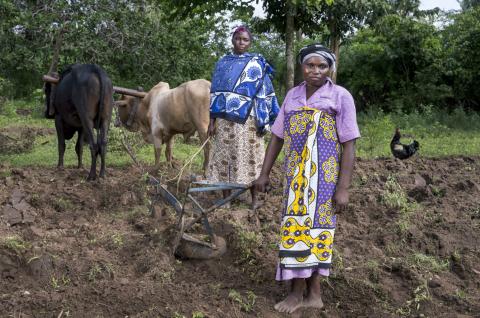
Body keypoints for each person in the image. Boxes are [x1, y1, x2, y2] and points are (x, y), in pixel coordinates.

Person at [254, 43, 360, 314]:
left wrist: (343, 188)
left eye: (321, 66)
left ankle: (306, 293)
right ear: (302, 67)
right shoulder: (292, 95)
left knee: (318, 231)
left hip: (324, 181)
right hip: (296, 179)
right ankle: (304, 292)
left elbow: (349, 144)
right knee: (296, 229)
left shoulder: (340, 96)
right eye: (310, 65)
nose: (315, 71)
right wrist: (264, 173)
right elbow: (277, 137)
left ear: (330, 69)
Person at [207, 25, 280, 209]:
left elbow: (266, 90)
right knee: (226, 157)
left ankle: (254, 199)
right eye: (238, 39)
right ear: (233, 40)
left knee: (253, 158)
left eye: (245, 40)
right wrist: (211, 121)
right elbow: (215, 93)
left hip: (250, 120)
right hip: (225, 120)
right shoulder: (223, 63)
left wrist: (267, 115)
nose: (241, 42)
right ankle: (226, 199)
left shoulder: (257, 63)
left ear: (250, 43)